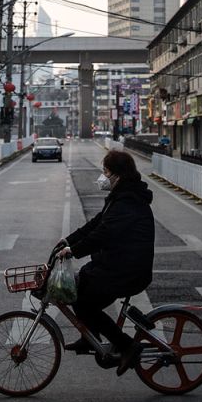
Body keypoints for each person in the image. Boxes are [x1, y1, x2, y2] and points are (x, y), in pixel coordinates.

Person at [55, 150, 154, 376]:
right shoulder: (120, 197)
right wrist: (67, 240)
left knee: (86, 302)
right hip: (115, 264)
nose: (103, 176)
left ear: (117, 175)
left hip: (128, 270)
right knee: (77, 288)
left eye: (106, 172)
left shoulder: (128, 202)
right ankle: (89, 338)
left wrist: (74, 251)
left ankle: (128, 345)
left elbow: (103, 234)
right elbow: (97, 224)